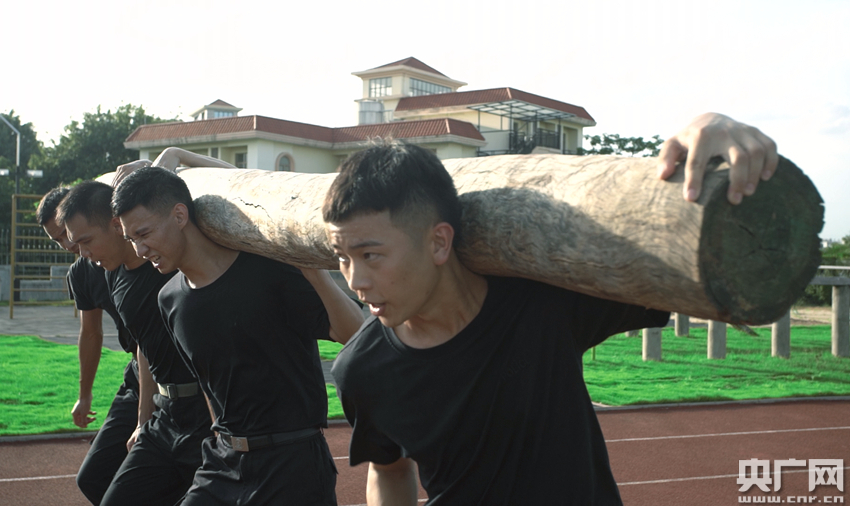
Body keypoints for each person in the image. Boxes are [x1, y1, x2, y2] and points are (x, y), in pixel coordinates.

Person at [322, 113, 778, 505]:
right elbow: (388, 470)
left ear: (439, 242)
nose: (355, 281)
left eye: (371, 255)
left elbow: (690, 250)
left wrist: (710, 128)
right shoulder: (362, 369)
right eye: (342, 258)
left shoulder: (543, 302)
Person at [110, 166, 365, 505]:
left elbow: (355, 333)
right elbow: (209, 386)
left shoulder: (269, 271)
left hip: (292, 464)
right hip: (222, 463)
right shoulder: (169, 299)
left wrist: (315, 274)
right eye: (131, 239)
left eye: (144, 234)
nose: (140, 250)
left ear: (180, 216)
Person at [57, 180, 212, 506]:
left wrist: (178, 156)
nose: (82, 255)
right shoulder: (113, 274)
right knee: (98, 482)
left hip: (204, 412)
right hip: (164, 409)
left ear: (116, 226)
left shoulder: (171, 265)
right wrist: (143, 420)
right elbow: (145, 345)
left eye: (86, 242)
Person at [36, 187, 139, 506]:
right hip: (139, 375)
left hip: (170, 376)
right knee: (93, 477)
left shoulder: (138, 256)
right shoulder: (82, 272)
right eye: (58, 239)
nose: (68, 244)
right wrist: (84, 395)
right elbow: (91, 333)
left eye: (68, 233)